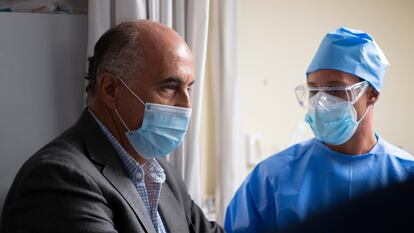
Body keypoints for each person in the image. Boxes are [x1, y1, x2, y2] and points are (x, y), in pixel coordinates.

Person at [1, 20, 224, 233]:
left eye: (189, 89)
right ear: (110, 89)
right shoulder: (59, 177)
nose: (186, 105)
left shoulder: (160, 172)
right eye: (169, 87)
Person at [224, 27, 414, 233]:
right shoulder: (270, 178)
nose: (321, 102)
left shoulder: (405, 176)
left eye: (335, 90)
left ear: (372, 94)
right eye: (314, 90)